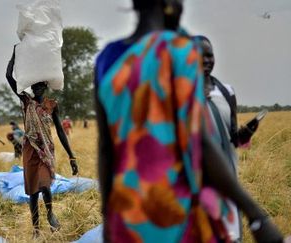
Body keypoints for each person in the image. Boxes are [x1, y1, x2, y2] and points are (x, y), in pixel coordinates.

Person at [94, 0, 284, 242]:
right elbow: (201, 143)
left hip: (128, 217)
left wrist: (109, 217)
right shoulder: (180, 53)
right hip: (176, 214)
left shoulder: (106, 59)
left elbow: (105, 147)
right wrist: (257, 217)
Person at [6, 47, 79, 236]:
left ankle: (50, 213)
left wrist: (72, 156)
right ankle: (36, 229)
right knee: (32, 192)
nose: (37, 88)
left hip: (46, 150)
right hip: (30, 149)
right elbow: (8, 76)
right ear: (31, 87)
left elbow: (61, 132)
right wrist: (16, 54)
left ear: (45, 86)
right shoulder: (26, 102)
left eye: (41, 85)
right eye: (35, 85)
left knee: (45, 186)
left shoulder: (52, 106)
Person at [195, 34, 260, 242]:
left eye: (210, 55)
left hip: (228, 181)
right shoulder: (180, 96)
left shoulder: (226, 92)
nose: (206, 61)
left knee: (231, 236)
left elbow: (233, 139)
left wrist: (245, 134)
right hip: (196, 185)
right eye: (200, 55)